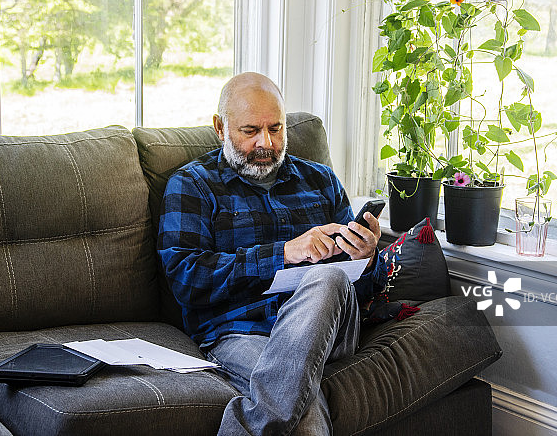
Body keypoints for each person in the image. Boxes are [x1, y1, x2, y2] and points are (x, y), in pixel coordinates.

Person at [157, 72, 386, 435]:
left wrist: (368, 257)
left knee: (327, 277)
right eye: (250, 131)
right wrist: (283, 253)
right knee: (305, 415)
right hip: (240, 332)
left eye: (276, 129)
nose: (266, 143)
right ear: (220, 128)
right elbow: (187, 279)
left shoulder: (320, 180)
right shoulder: (193, 185)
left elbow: (359, 289)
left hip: (331, 330)